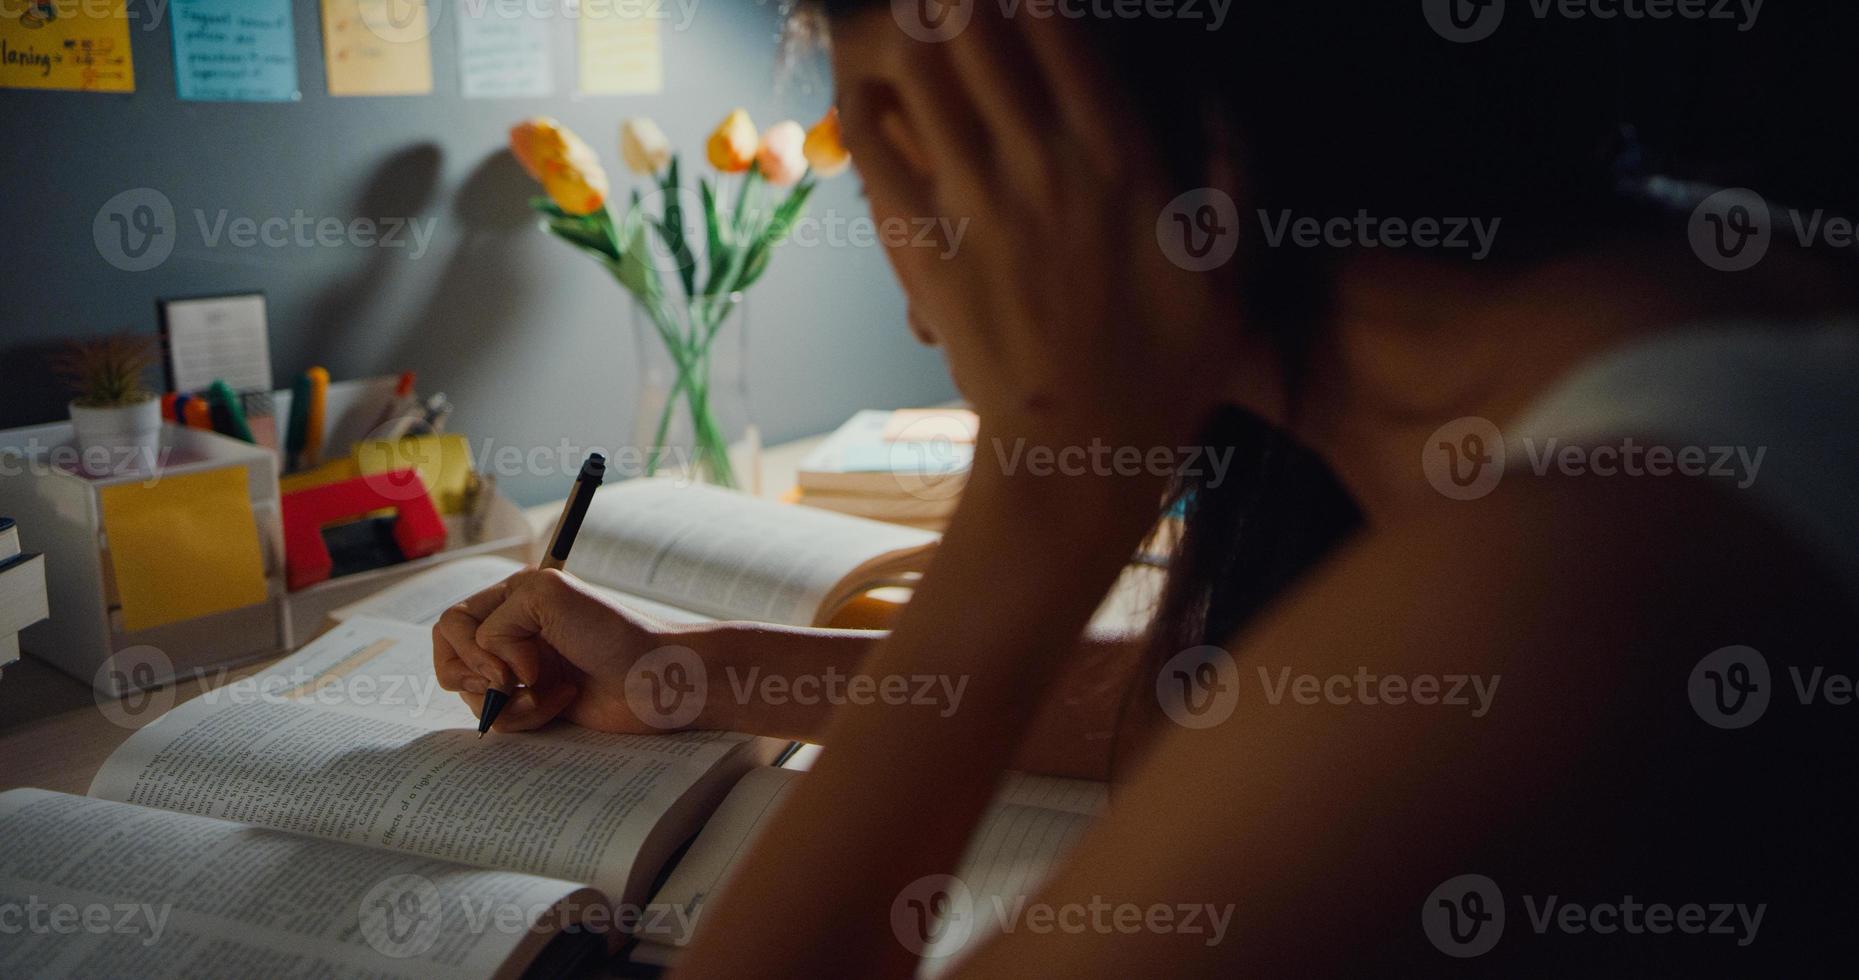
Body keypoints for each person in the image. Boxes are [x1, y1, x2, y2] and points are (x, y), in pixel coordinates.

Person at [437, 3, 1859, 973]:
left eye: (873, 146)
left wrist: (1044, 485)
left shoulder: (1569, 590)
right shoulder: (1666, 318)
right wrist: (691, 669)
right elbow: (1248, 690)